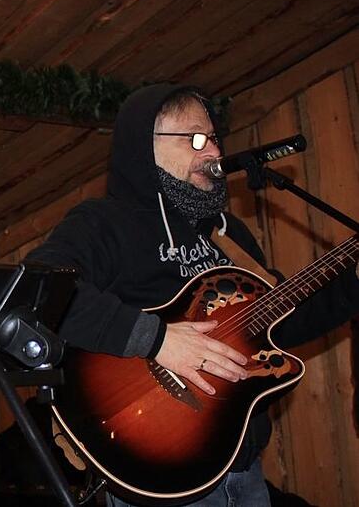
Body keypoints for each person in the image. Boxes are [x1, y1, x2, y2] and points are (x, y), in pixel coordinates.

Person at [27, 83, 359, 506]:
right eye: (195, 139)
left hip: (243, 472)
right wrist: (158, 339)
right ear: (144, 147)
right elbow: (39, 288)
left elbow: (281, 321)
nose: (213, 153)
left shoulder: (230, 236)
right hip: (155, 467)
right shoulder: (103, 222)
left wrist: (353, 284)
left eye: (215, 139)